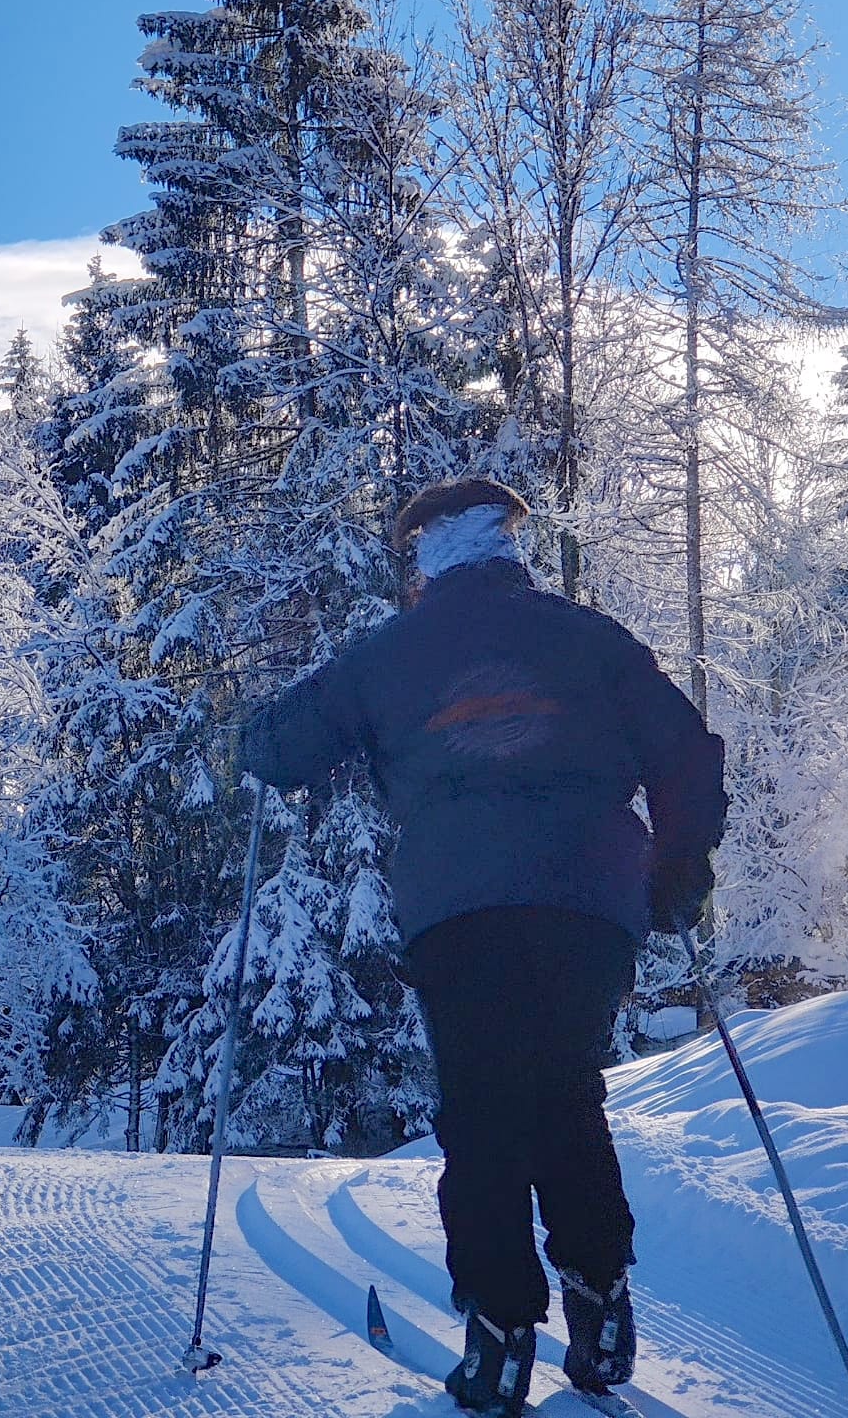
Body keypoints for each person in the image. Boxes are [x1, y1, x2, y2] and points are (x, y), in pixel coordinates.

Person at [239, 478, 726, 1418]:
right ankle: (599, 1303)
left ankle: (501, 1335)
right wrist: (678, 866)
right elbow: (687, 751)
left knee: (484, 1106)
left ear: (425, 559)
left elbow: (281, 746)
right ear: (510, 550)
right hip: (590, 904)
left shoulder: (391, 653)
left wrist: (252, 739)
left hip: (459, 911)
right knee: (566, 1089)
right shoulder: (588, 639)